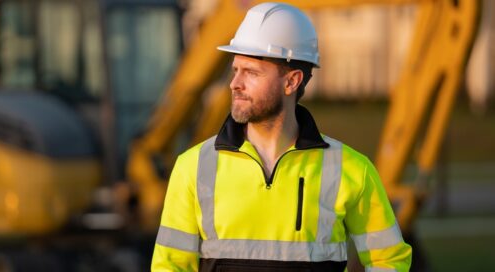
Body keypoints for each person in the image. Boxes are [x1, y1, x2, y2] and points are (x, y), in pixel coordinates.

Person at [151, 2, 412, 271]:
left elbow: (389, 260)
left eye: (251, 72)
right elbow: (170, 266)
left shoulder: (352, 171)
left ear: (292, 81)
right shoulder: (192, 168)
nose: (235, 83)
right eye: (235, 70)